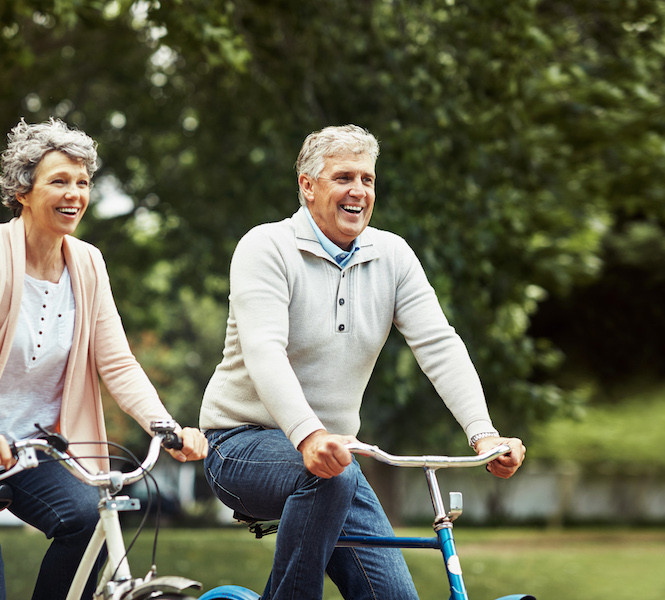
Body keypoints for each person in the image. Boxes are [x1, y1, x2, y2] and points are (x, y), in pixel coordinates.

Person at [0, 117, 207, 600]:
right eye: (59, 181)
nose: (75, 194)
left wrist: (165, 427)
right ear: (23, 191)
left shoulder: (88, 262)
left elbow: (118, 363)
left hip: (35, 451)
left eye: (83, 183)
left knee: (92, 520)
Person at [198, 124, 526, 600]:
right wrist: (309, 436)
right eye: (343, 177)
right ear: (307, 187)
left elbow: (439, 344)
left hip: (338, 460)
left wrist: (483, 433)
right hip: (240, 444)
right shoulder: (265, 247)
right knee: (332, 473)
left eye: (367, 179)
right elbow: (264, 351)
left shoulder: (392, 255)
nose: (358, 191)